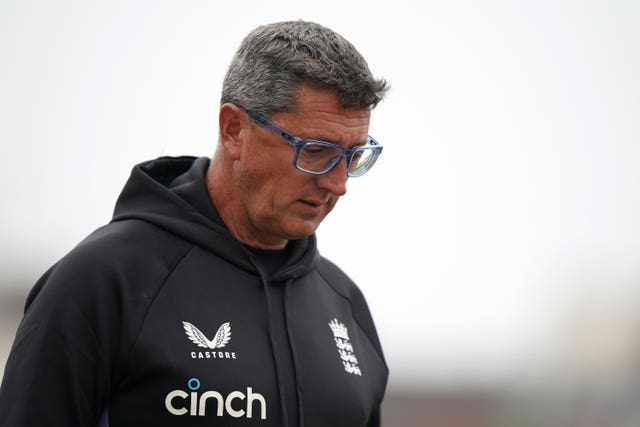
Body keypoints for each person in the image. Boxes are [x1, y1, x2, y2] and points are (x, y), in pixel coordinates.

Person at [0, 20, 389, 427]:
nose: (339, 183)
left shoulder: (346, 306)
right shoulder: (101, 281)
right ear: (234, 130)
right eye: (315, 151)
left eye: (353, 155)